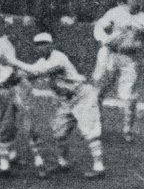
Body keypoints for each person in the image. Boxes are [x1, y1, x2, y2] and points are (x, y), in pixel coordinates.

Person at [7, 33, 106, 179]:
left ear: (51, 45)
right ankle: (63, 163)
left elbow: (37, 71)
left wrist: (13, 61)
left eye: (45, 44)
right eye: (38, 45)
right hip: (66, 102)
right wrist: (13, 77)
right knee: (59, 132)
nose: (42, 47)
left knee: (90, 132)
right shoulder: (42, 61)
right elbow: (30, 74)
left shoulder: (58, 57)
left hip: (82, 96)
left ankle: (99, 168)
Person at [0, 17, 44, 178]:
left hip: (18, 85)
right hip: (1, 92)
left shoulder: (3, 43)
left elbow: (12, 59)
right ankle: (5, 166)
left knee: (29, 124)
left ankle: (40, 162)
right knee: (5, 127)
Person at [92, 0, 144, 142]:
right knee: (98, 89)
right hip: (110, 55)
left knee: (128, 94)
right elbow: (99, 27)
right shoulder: (115, 12)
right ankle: (96, 126)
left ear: (141, 0)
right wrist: (104, 40)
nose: (134, 0)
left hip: (129, 58)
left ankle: (128, 129)